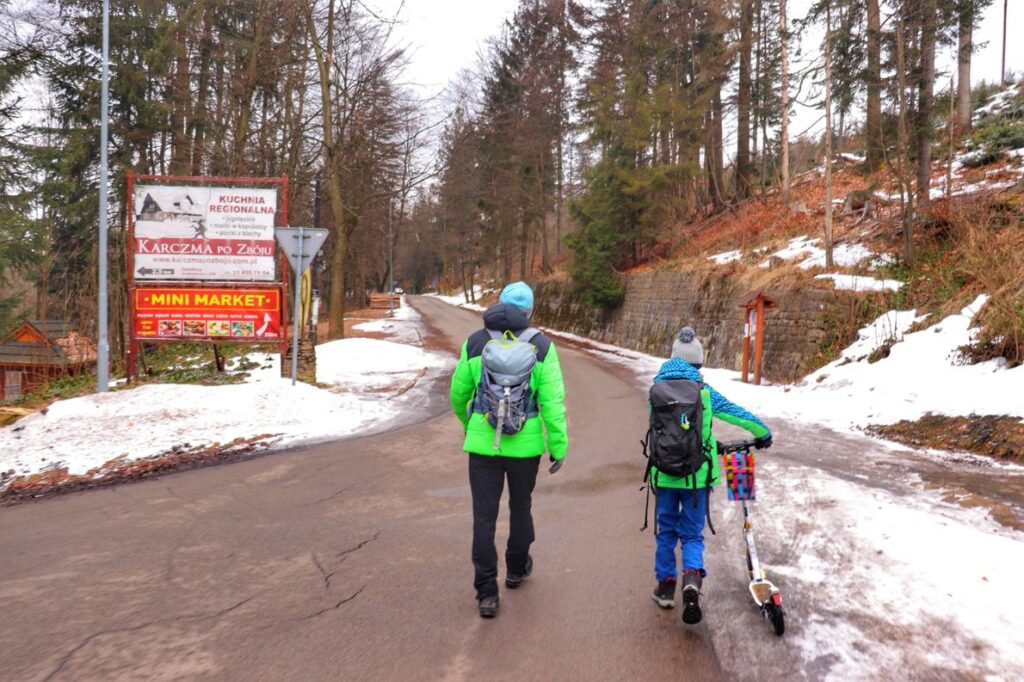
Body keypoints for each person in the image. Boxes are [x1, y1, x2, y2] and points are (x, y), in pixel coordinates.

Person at [450, 281, 568, 618]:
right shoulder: (542, 347)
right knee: (521, 506)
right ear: (529, 312)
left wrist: (470, 424)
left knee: (484, 518)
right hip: (525, 445)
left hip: (483, 444)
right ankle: (516, 568)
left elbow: (458, 394)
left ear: (499, 305)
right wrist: (558, 446)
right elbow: (552, 403)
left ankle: (487, 592)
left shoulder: (475, 342)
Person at [649, 326, 771, 625]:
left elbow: (666, 432)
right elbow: (735, 414)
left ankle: (666, 588)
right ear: (699, 364)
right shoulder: (704, 392)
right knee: (691, 533)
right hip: (697, 477)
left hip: (664, 475)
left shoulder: (656, 390)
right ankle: (692, 578)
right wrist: (762, 432)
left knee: (666, 530)